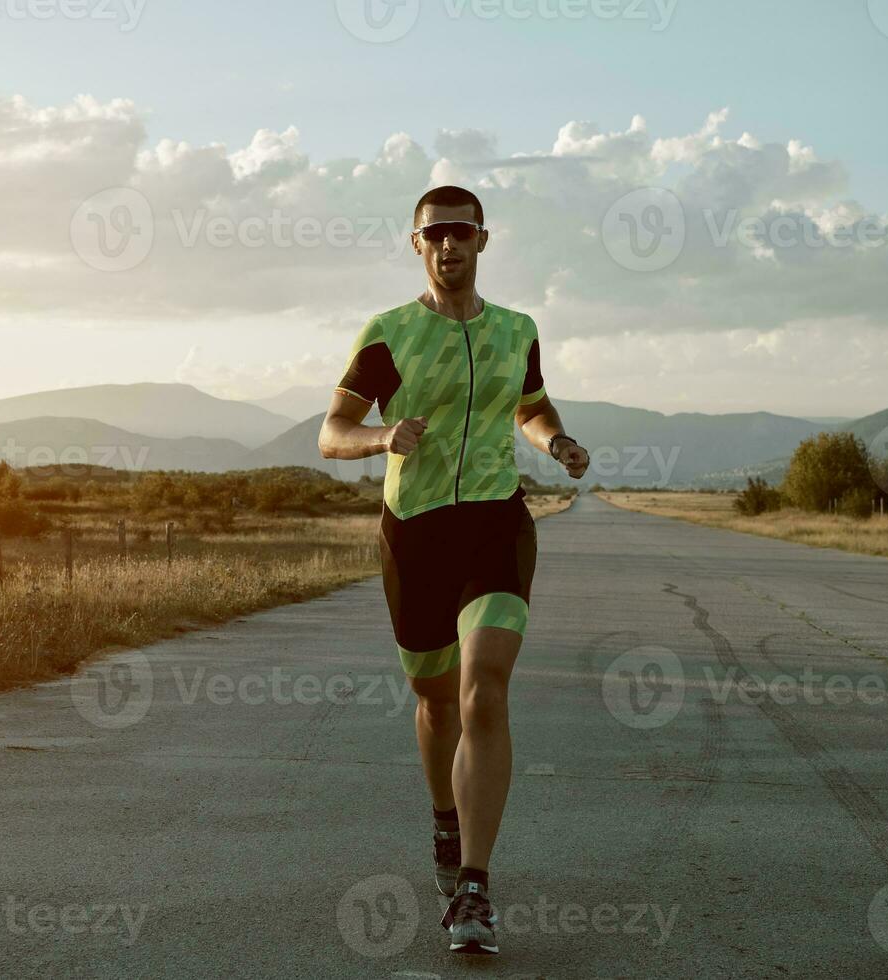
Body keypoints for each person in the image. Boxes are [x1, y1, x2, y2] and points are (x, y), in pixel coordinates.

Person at [318, 185, 589, 955]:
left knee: (485, 693)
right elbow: (331, 432)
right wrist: (379, 439)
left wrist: (556, 444)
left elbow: (531, 407)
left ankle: (474, 886)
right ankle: (445, 817)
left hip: (496, 527)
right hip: (415, 536)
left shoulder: (516, 331)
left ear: (482, 239)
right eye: (433, 234)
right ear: (417, 246)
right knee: (436, 702)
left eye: (460, 232)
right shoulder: (389, 334)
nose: (448, 245)